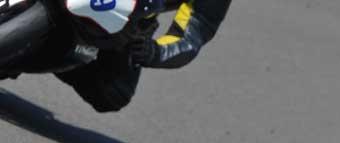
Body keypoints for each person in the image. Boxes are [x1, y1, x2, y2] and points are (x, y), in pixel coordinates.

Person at [56, 0, 232, 113]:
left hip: (124, 20)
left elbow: (191, 35)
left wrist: (155, 52)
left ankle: (59, 55)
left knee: (114, 93)